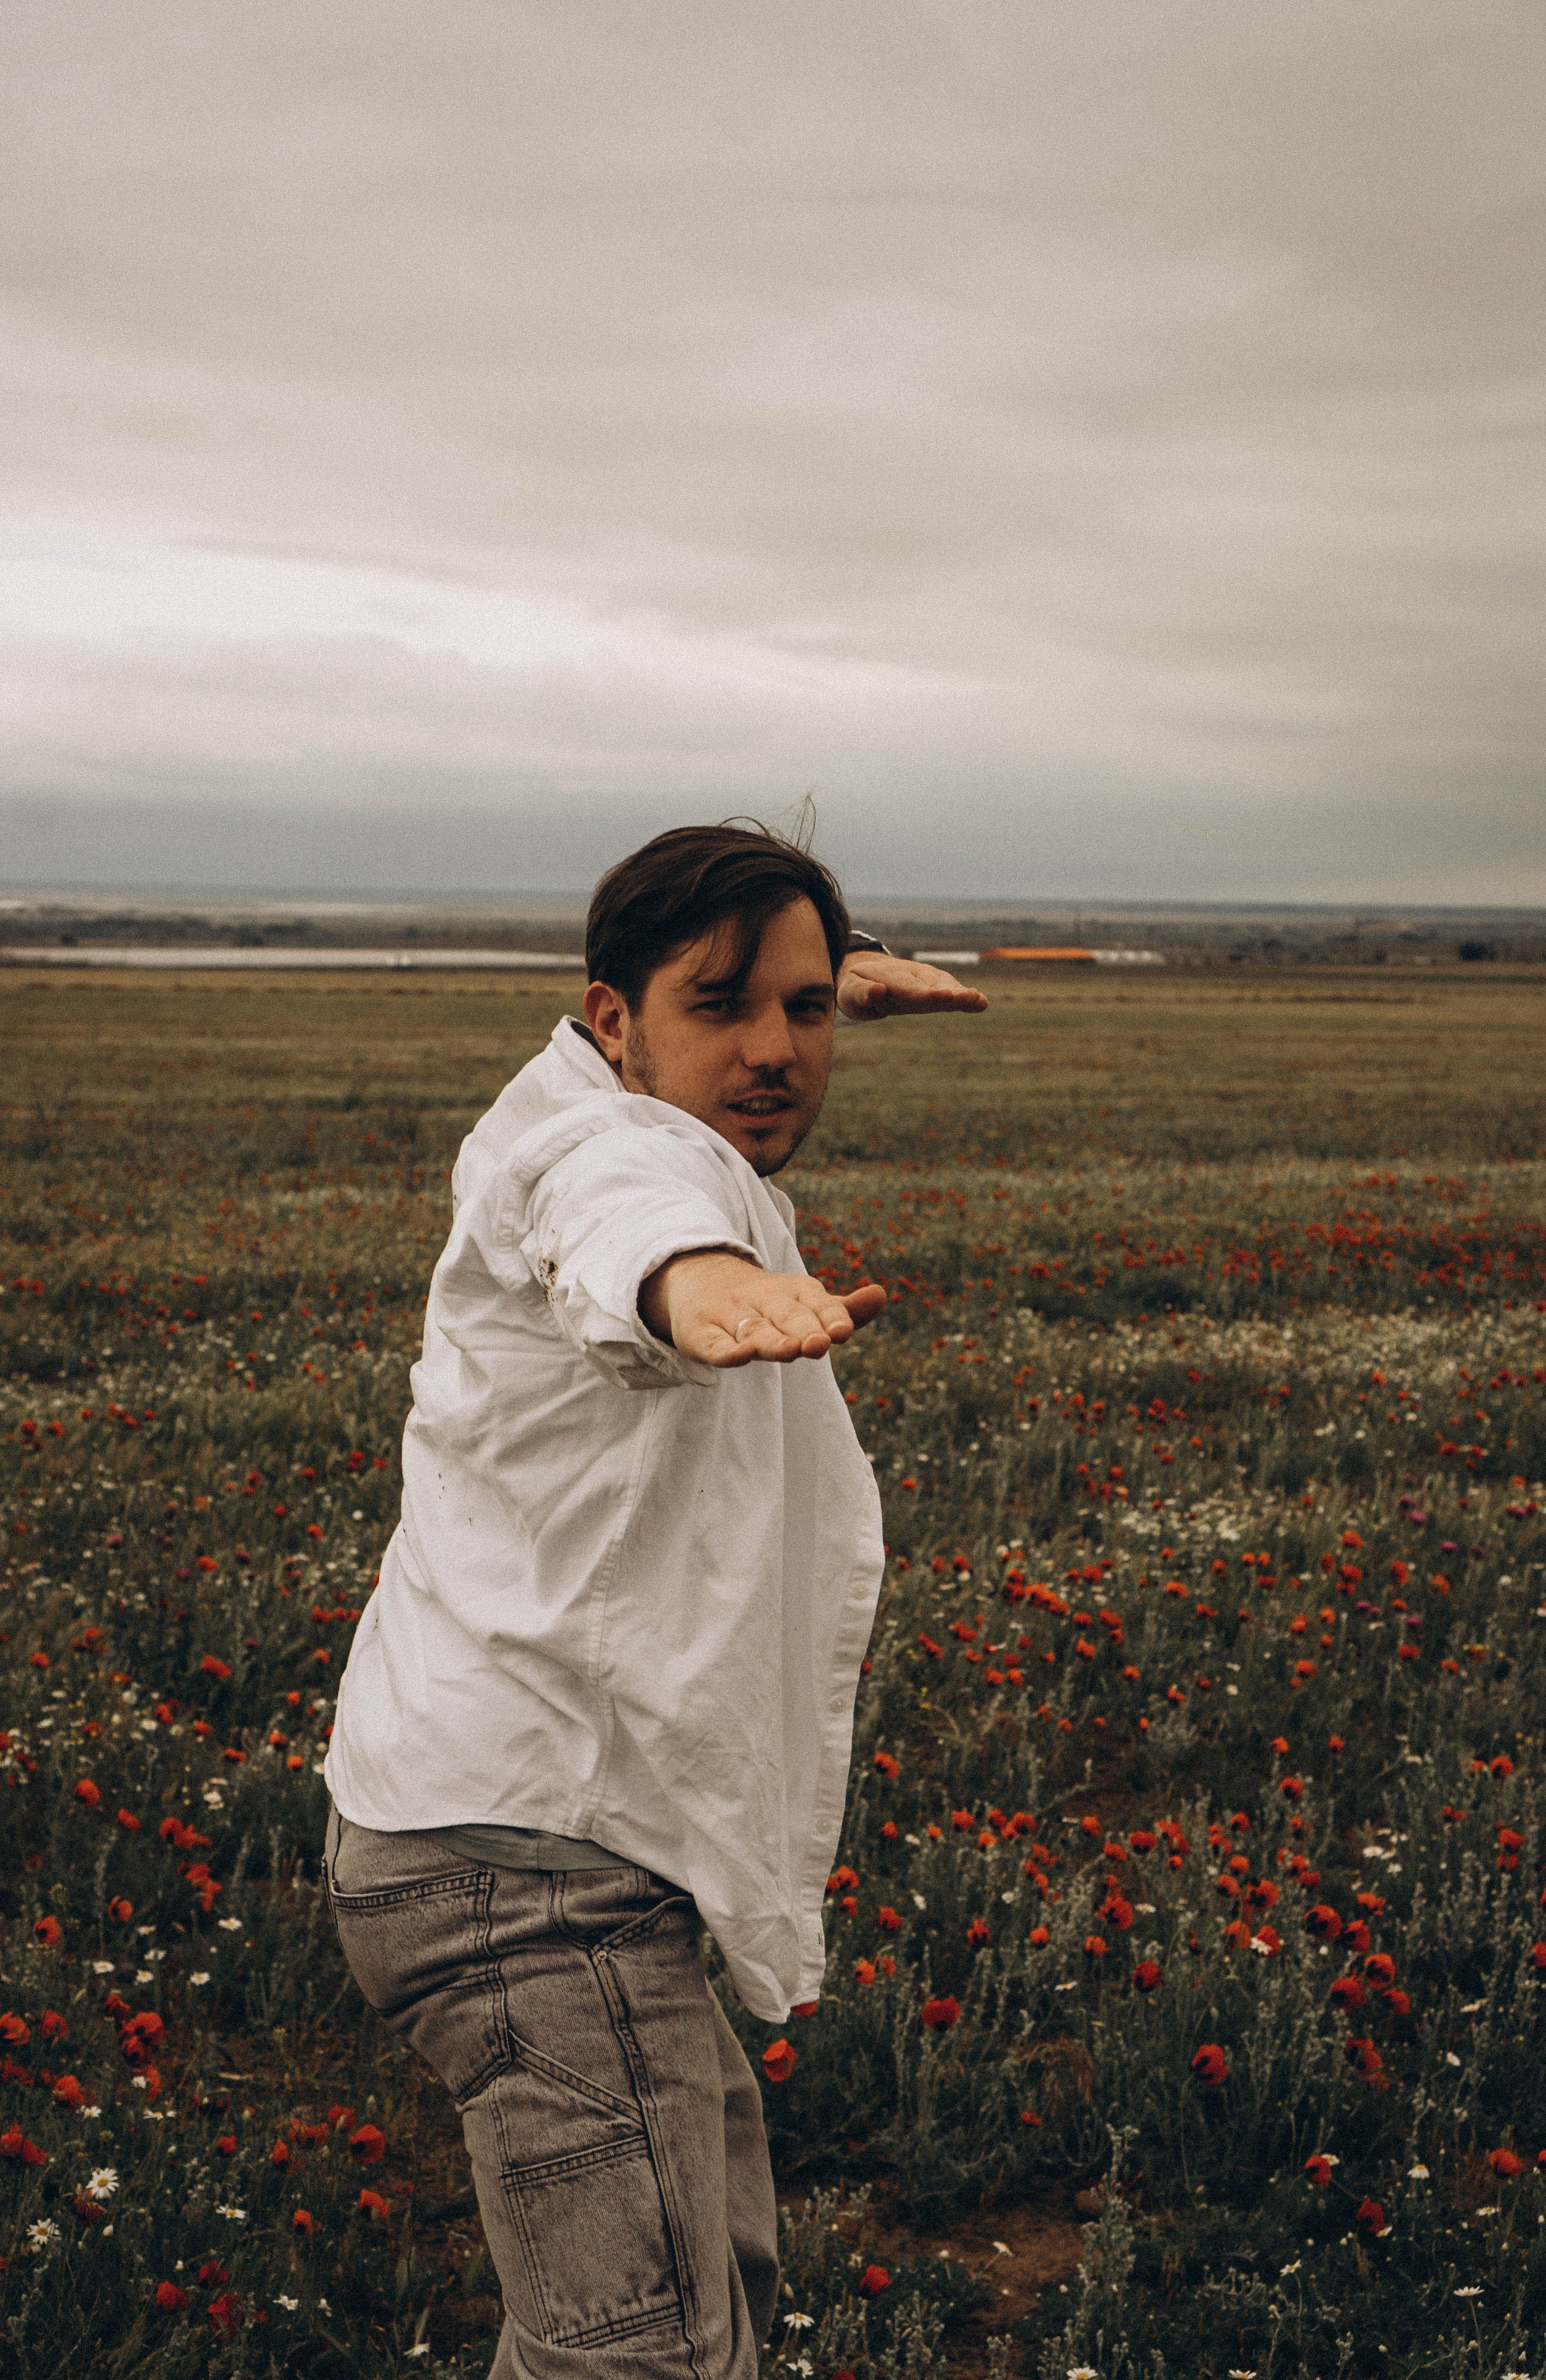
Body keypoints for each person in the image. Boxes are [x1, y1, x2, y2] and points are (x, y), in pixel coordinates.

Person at [322, 821, 985, 2379]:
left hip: (512, 1829)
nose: (773, 1052)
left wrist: (812, 972)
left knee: (695, 2303)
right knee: (647, 2357)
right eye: (721, 1006)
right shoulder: (617, 1156)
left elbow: (695, 1047)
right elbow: (617, 1221)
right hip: (527, 1870)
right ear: (613, 1020)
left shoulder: (568, 1087)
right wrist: (698, 1286)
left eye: (805, 1011)